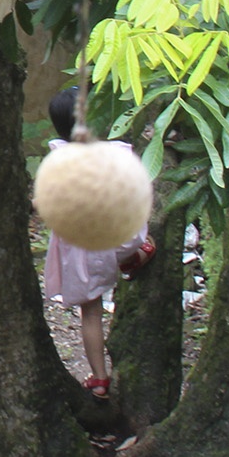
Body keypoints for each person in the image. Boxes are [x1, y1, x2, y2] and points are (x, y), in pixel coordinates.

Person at [39, 89, 156, 399]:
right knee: (139, 232)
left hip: (80, 250)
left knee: (91, 314)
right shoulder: (116, 153)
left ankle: (100, 379)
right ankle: (134, 255)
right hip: (116, 238)